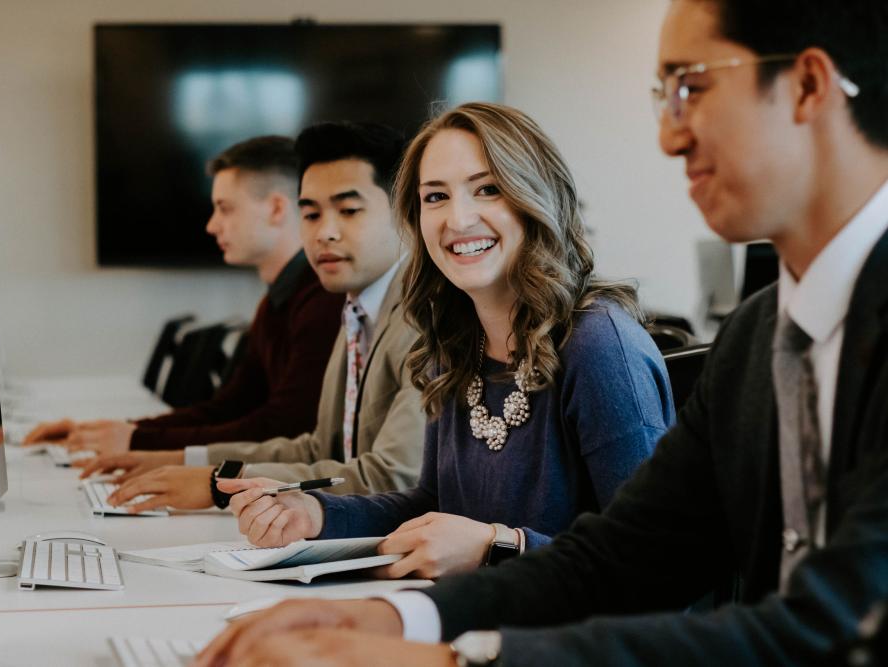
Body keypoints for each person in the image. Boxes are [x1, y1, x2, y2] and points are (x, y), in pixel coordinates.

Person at [192, 0, 888, 665]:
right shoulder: (756, 337)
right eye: (435, 196)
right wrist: (394, 617)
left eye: (691, 87)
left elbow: (838, 624)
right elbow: (626, 556)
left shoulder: (606, 342)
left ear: (806, 86)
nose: (668, 134)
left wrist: (456, 653)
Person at [219, 102, 673, 581]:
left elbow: (656, 564)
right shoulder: (454, 344)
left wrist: (497, 547)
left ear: (538, 197)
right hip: (472, 622)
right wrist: (316, 513)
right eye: (435, 197)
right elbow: (432, 506)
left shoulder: (600, 347)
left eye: (488, 189)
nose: (457, 220)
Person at [80, 122, 426, 512]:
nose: (324, 233)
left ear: (404, 212)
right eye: (310, 215)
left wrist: (219, 484)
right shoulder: (356, 309)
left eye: (348, 210)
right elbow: (317, 447)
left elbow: (391, 477)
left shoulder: (425, 321)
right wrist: (179, 460)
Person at [22, 136, 344, 455]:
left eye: (224, 209)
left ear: (276, 209)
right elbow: (227, 408)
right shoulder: (277, 302)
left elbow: (284, 427)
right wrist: (117, 432)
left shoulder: (324, 300)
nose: (212, 226)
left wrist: (137, 442)